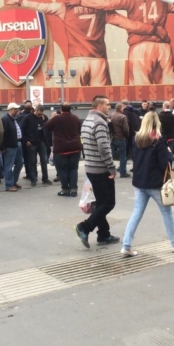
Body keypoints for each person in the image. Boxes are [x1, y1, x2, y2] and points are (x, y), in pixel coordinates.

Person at [7, 0, 167, 86]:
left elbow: (41, 6)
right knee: (103, 100)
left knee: (73, 100)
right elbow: (130, 25)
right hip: (99, 60)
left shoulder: (64, 7)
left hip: (76, 60)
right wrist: (154, 29)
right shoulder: (102, 10)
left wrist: (21, 1)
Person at [66, 0, 174, 85]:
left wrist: (81, 1)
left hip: (139, 46)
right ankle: (172, 106)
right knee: (169, 78)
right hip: (163, 46)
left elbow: (109, 3)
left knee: (140, 83)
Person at [121, 111, 174, 256]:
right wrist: (169, 153)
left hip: (139, 181)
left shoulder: (137, 138)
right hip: (155, 183)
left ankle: (126, 245)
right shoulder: (158, 139)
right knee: (167, 212)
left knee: (136, 213)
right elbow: (165, 163)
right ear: (157, 123)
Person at [74, 95, 119, 248]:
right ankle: (85, 227)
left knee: (101, 202)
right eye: (108, 104)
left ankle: (104, 234)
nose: (110, 107)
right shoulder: (100, 122)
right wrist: (111, 167)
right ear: (99, 106)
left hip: (91, 167)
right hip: (101, 169)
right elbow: (104, 147)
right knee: (108, 202)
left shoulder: (87, 120)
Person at [45, 102, 82, 197]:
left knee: (63, 170)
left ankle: (65, 190)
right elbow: (79, 130)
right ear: (70, 109)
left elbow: (47, 126)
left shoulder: (57, 118)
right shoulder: (76, 118)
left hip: (61, 148)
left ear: (61, 109)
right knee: (73, 169)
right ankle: (73, 190)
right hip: (75, 147)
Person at [22, 105, 52, 186]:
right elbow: (22, 129)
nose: (40, 115)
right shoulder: (28, 118)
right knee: (32, 162)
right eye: (39, 114)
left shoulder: (43, 117)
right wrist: (26, 140)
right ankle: (33, 179)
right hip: (31, 142)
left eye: (41, 114)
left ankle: (45, 178)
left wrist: (44, 120)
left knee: (44, 161)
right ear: (35, 111)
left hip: (41, 141)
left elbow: (48, 128)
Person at [1, 103, 24, 192]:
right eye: (15, 109)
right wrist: (3, 147)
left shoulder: (15, 119)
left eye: (17, 109)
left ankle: (13, 181)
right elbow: (3, 134)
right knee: (9, 166)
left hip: (17, 143)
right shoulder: (5, 119)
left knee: (20, 163)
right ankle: (9, 185)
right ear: (10, 110)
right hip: (10, 145)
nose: (17, 111)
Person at [110, 102, 131, 178]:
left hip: (112, 138)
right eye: (123, 108)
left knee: (111, 155)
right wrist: (127, 135)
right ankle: (123, 172)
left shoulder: (111, 115)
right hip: (121, 138)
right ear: (120, 109)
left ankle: (109, 172)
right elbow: (126, 129)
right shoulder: (123, 117)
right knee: (123, 156)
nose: (123, 109)